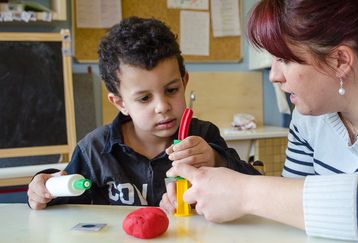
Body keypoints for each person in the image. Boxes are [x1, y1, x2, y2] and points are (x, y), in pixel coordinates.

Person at [160, 0, 358, 242]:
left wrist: (243, 193)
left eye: (283, 59)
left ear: (340, 60)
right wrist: (213, 195)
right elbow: (289, 212)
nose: (274, 76)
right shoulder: (308, 116)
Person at [27, 17, 259, 210]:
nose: (162, 106)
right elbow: (60, 193)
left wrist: (216, 159)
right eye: (144, 98)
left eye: (171, 90)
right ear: (120, 103)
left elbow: (253, 186)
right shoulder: (95, 149)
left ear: (184, 82)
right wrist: (42, 187)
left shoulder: (204, 136)